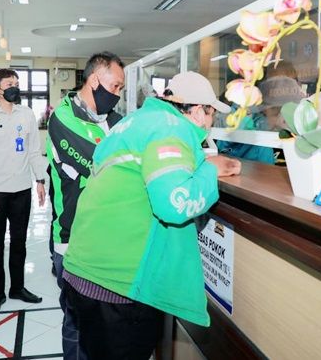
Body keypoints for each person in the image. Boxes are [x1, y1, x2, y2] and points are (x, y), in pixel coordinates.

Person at [63, 71, 242, 359]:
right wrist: (210, 170)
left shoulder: (135, 121)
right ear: (197, 112)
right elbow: (174, 204)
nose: (211, 124)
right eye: (211, 115)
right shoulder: (172, 128)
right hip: (117, 286)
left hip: (83, 269)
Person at [46, 51, 124, 359]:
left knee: (104, 324)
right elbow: (103, 165)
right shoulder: (64, 118)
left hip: (109, 238)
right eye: (115, 86)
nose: (117, 95)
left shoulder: (116, 121)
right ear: (94, 80)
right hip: (73, 238)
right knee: (77, 322)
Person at [0, 68, 47, 315]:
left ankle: (18, 287)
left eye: (16, 82)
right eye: (9, 83)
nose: (15, 86)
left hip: (21, 189)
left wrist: (40, 180)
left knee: (19, 242)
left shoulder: (26, 114)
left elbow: (34, 151)